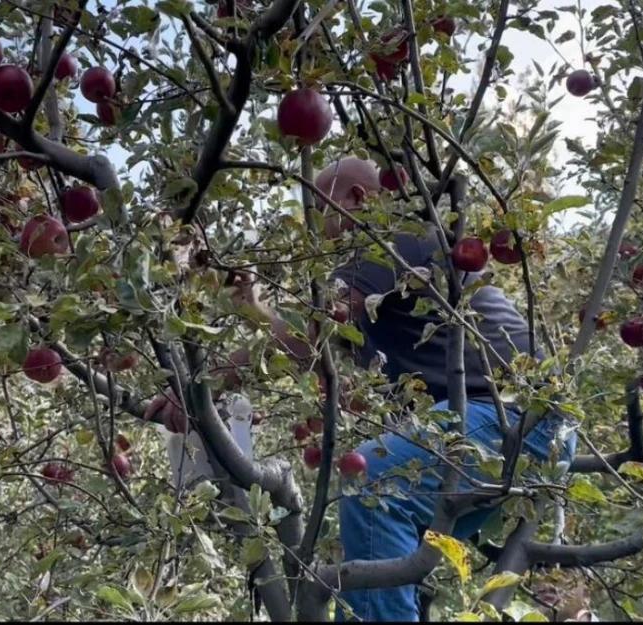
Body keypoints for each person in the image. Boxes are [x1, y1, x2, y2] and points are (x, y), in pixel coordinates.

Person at [145, 157, 577, 622]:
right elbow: (308, 345)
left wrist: (194, 391)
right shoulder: (385, 289)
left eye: (317, 211)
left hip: (516, 417)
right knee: (377, 551)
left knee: (372, 482)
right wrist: (254, 309)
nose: (316, 232)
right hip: (523, 438)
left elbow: (314, 333)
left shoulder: (384, 242)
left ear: (354, 199)